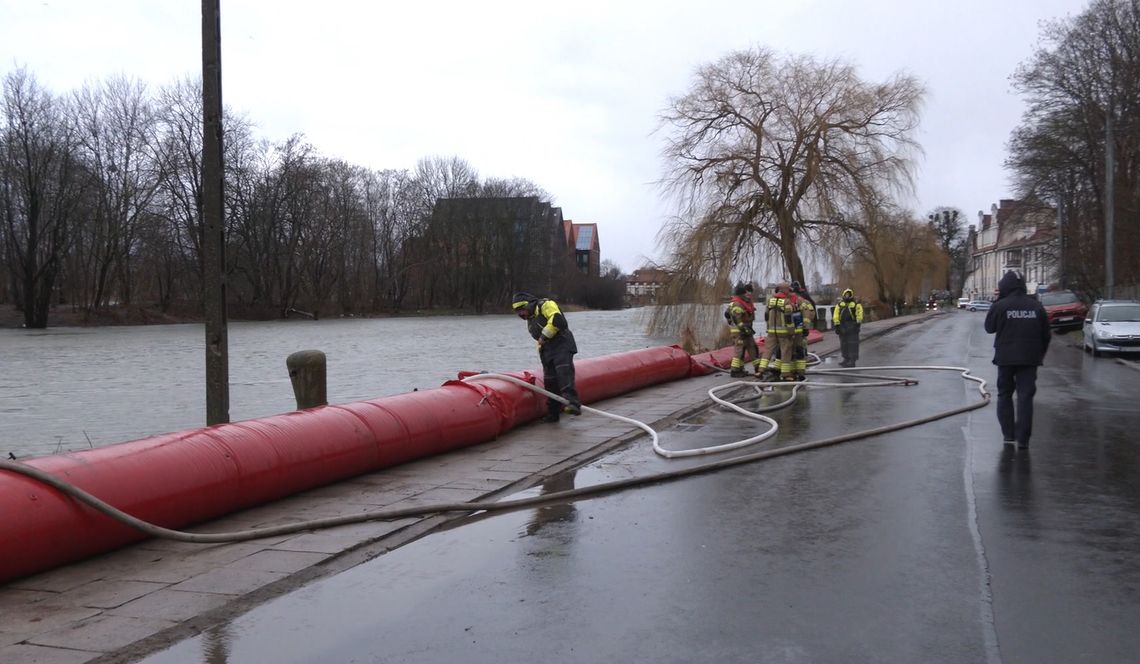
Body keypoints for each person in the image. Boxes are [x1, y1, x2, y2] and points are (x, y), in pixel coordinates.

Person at [984, 271, 1050, 450]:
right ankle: (1023, 440)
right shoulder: (1036, 306)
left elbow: (989, 328)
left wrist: (997, 303)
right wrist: (1039, 354)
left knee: (1004, 395)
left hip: (1005, 359)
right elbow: (1046, 335)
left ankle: (1008, 434)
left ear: (1005, 286)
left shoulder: (1001, 306)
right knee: (1025, 397)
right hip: (1030, 359)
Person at [511, 292, 582, 423]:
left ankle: (572, 403)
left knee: (563, 373)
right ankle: (553, 413)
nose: (520, 314)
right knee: (550, 382)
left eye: (521, 310)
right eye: (518, 312)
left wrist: (544, 337)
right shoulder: (531, 319)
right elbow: (538, 340)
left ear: (528, 305)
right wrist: (542, 349)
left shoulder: (545, 305)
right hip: (547, 350)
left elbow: (557, 320)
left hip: (562, 344)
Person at [758, 282, 796, 381]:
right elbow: (788, 318)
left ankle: (760, 370)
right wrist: (791, 332)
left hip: (771, 331)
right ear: (785, 290)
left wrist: (768, 327)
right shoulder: (786, 302)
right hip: (783, 333)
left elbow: (766, 315)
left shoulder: (770, 301)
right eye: (788, 290)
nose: (789, 292)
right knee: (785, 352)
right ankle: (786, 374)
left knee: (767, 351)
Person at [724, 283, 760, 377]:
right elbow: (737, 318)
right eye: (745, 294)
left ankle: (758, 368)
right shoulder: (737, 304)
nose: (747, 295)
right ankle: (735, 370)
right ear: (741, 294)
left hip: (746, 329)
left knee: (752, 347)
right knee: (739, 350)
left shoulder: (744, 302)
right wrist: (743, 328)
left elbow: (727, 314)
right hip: (740, 331)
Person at [789, 280, 815, 380]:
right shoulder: (804, 298)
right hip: (797, 329)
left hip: (796, 329)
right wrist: (806, 326)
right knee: (799, 350)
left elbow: (809, 313)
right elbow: (811, 312)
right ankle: (799, 372)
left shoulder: (801, 299)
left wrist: (805, 326)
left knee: (795, 350)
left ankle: (795, 372)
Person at [832, 288, 863, 368]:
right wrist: (837, 326)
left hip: (852, 326)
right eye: (846, 295)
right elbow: (836, 315)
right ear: (843, 295)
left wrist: (857, 325)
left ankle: (852, 360)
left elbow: (859, 314)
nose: (847, 296)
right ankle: (846, 359)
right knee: (844, 344)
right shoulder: (839, 305)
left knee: (853, 344)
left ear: (851, 295)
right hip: (842, 327)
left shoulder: (856, 305)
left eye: (848, 295)